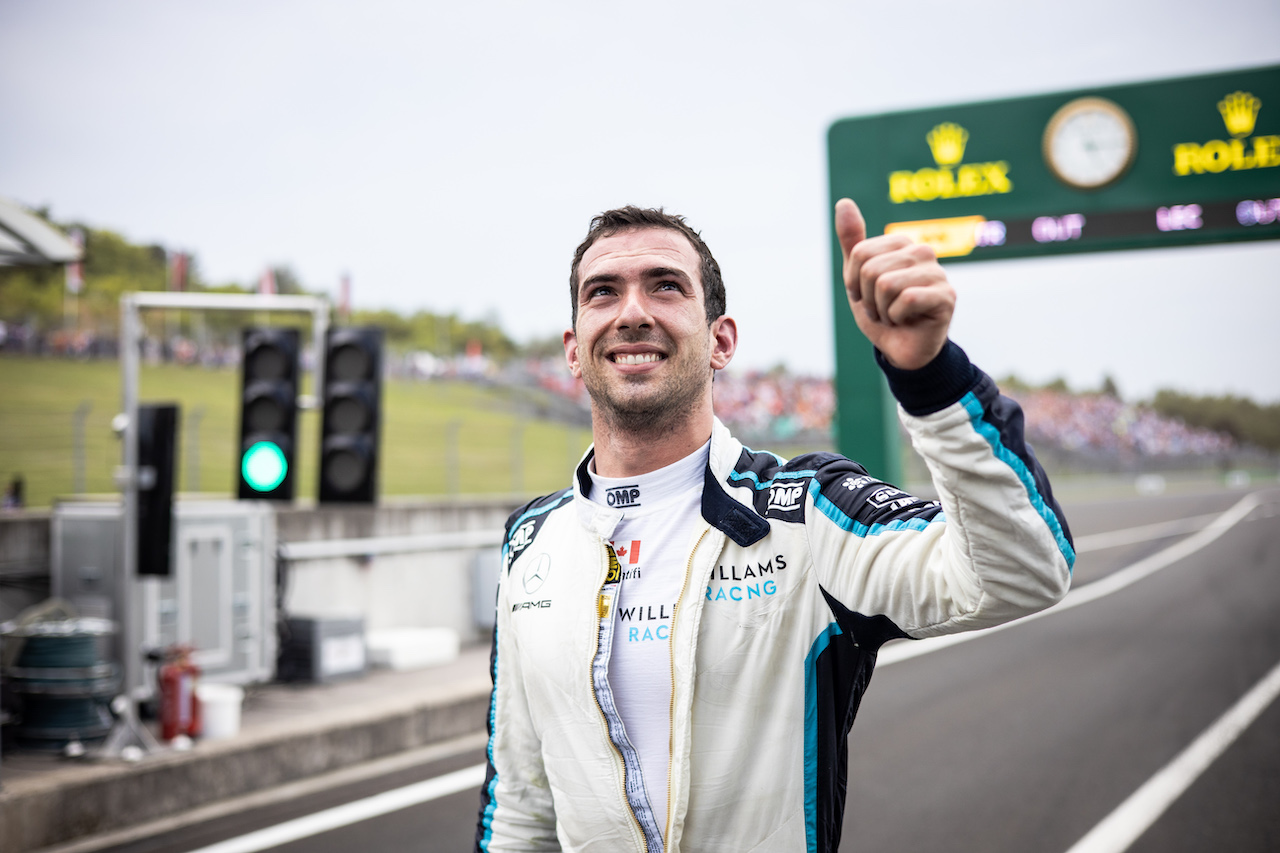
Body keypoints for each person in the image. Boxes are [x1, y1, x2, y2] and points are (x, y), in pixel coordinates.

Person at [475, 200, 1074, 853]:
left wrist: (928, 377)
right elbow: (520, 807)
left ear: (721, 340)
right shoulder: (530, 543)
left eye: (666, 285)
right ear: (573, 349)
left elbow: (1022, 572)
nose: (633, 312)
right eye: (603, 292)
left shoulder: (810, 511)